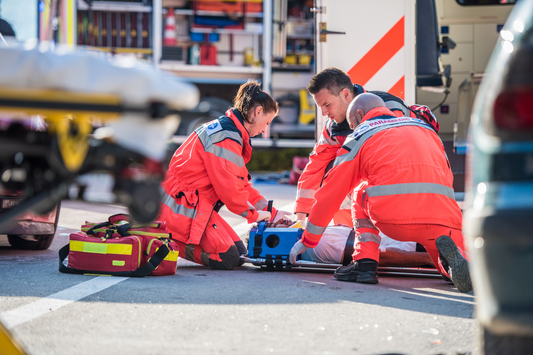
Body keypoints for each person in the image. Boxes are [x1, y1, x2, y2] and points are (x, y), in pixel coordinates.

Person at [289, 93, 472, 293]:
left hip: (394, 220)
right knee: (445, 260)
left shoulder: (361, 134)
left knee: (359, 191)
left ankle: (364, 264)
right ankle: (453, 269)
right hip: (444, 219)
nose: (353, 128)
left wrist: (308, 240)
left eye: (353, 124)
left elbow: (331, 192)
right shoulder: (424, 128)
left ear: (359, 115)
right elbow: (446, 176)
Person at [159, 80, 291, 270]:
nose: (264, 130)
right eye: (267, 123)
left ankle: (174, 234)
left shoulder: (230, 132)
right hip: (181, 208)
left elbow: (241, 185)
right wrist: (255, 215)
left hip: (192, 205)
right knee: (228, 258)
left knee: (240, 254)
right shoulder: (226, 138)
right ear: (258, 112)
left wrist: (272, 213)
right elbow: (230, 191)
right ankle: (169, 237)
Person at [294, 68, 439, 227]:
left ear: (345, 94)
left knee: (349, 174)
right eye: (320, 106)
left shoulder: (389, 110)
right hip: (383, 189)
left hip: (410, 185)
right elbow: (315, 167)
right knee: (332, 173)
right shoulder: (333, 128)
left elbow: (397, 162)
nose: (323, 113)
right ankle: (348, 235)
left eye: (327, 105)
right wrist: (300, 219)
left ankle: (396, 234)